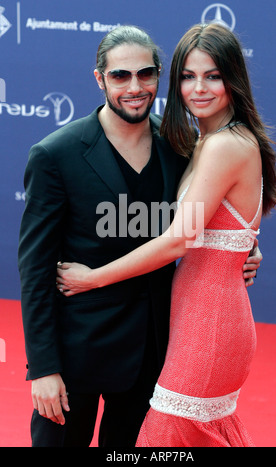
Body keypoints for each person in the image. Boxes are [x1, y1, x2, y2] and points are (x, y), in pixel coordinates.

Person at [19, 25, 261, 448]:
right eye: (120, 76)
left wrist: (244, 249)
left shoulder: (180, 145)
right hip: (78, 352)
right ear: (100, 78)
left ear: (157, 77)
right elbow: (36, 268)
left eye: (146, 74)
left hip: (155, 351)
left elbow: (205, 221)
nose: (135, 86)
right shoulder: (56, 154)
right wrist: (42, 367)